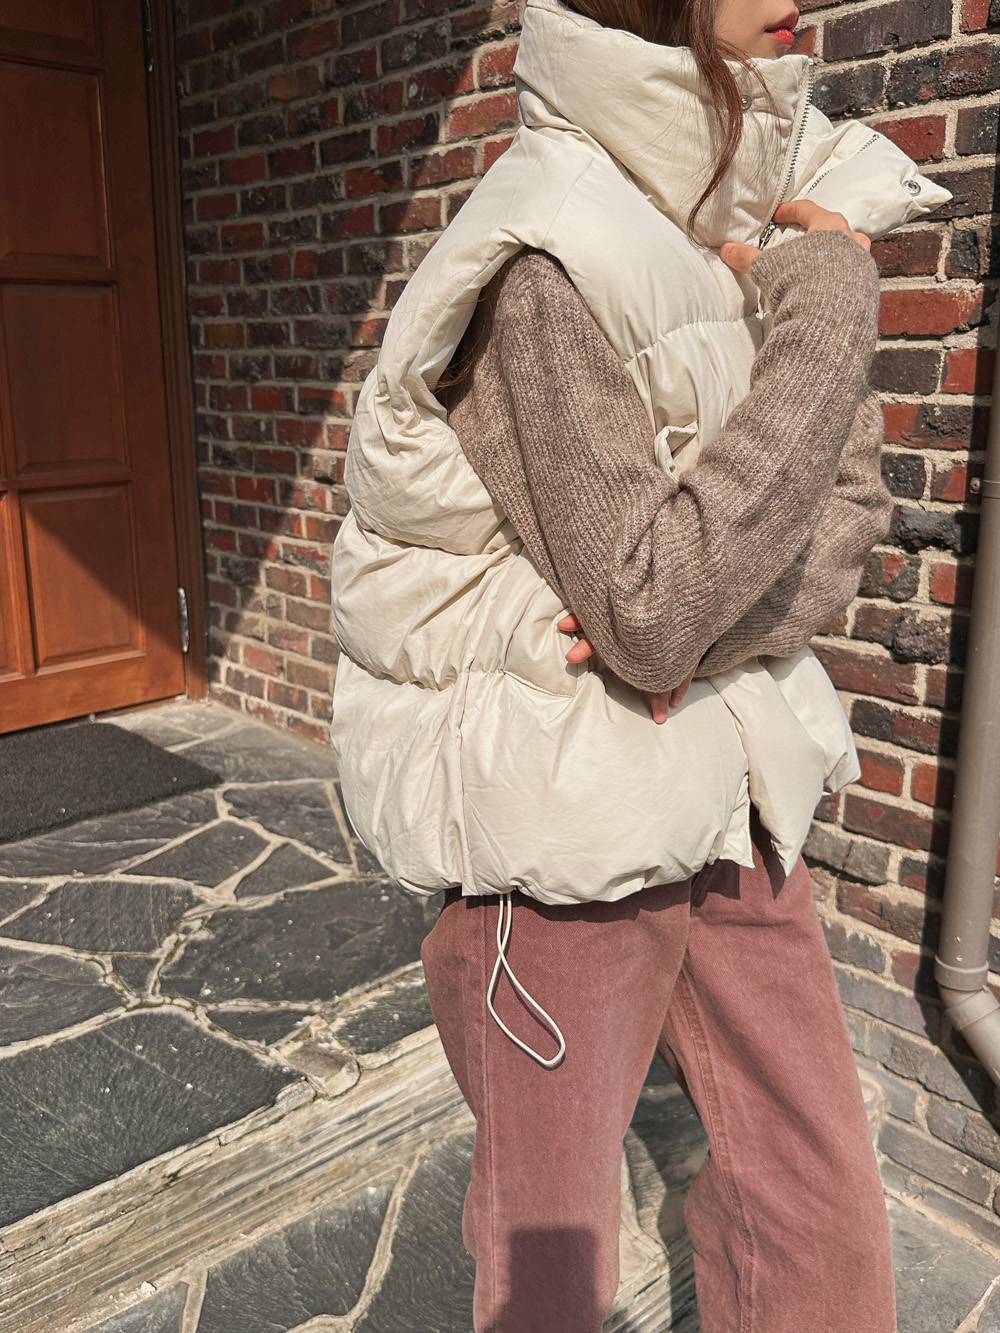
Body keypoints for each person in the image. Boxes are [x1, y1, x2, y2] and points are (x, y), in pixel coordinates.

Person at [328, 1, 953, 1328]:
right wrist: (827, 316)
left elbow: (841, 514)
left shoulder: (723, 227)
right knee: (551, 1272)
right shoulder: (539, 254)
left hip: (733, 783)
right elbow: (651, 606)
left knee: (826, 1220)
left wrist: (718, 621)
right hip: (567, 829)